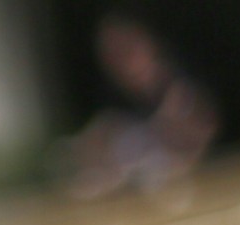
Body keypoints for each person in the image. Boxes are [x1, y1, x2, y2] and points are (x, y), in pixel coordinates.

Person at [65, 13, 220, 201]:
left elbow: (202, 159)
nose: (122, 61)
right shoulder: (109, 112)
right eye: (111, 55)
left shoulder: (186, 94)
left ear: (150, 43)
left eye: (127, 49)